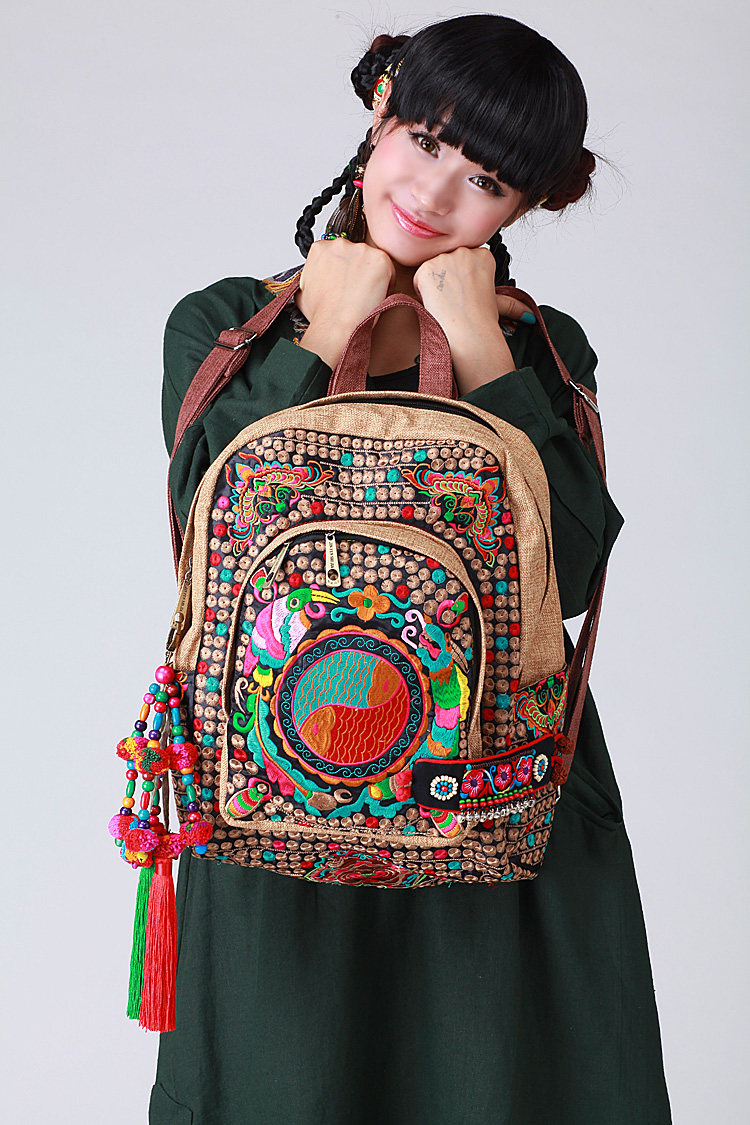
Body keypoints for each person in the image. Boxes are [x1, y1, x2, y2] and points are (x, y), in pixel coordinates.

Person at [151, 15, 671, 1124]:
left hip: (501, 782)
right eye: (427, 141)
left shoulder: (542, 347)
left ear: (523, 208)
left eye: (486, 180)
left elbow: (572, 571)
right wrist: (321, 328)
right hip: (273, 796)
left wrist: (480, 348)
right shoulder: (228, 324)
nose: (434, 194)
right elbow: (206, 531)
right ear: (380, 109)